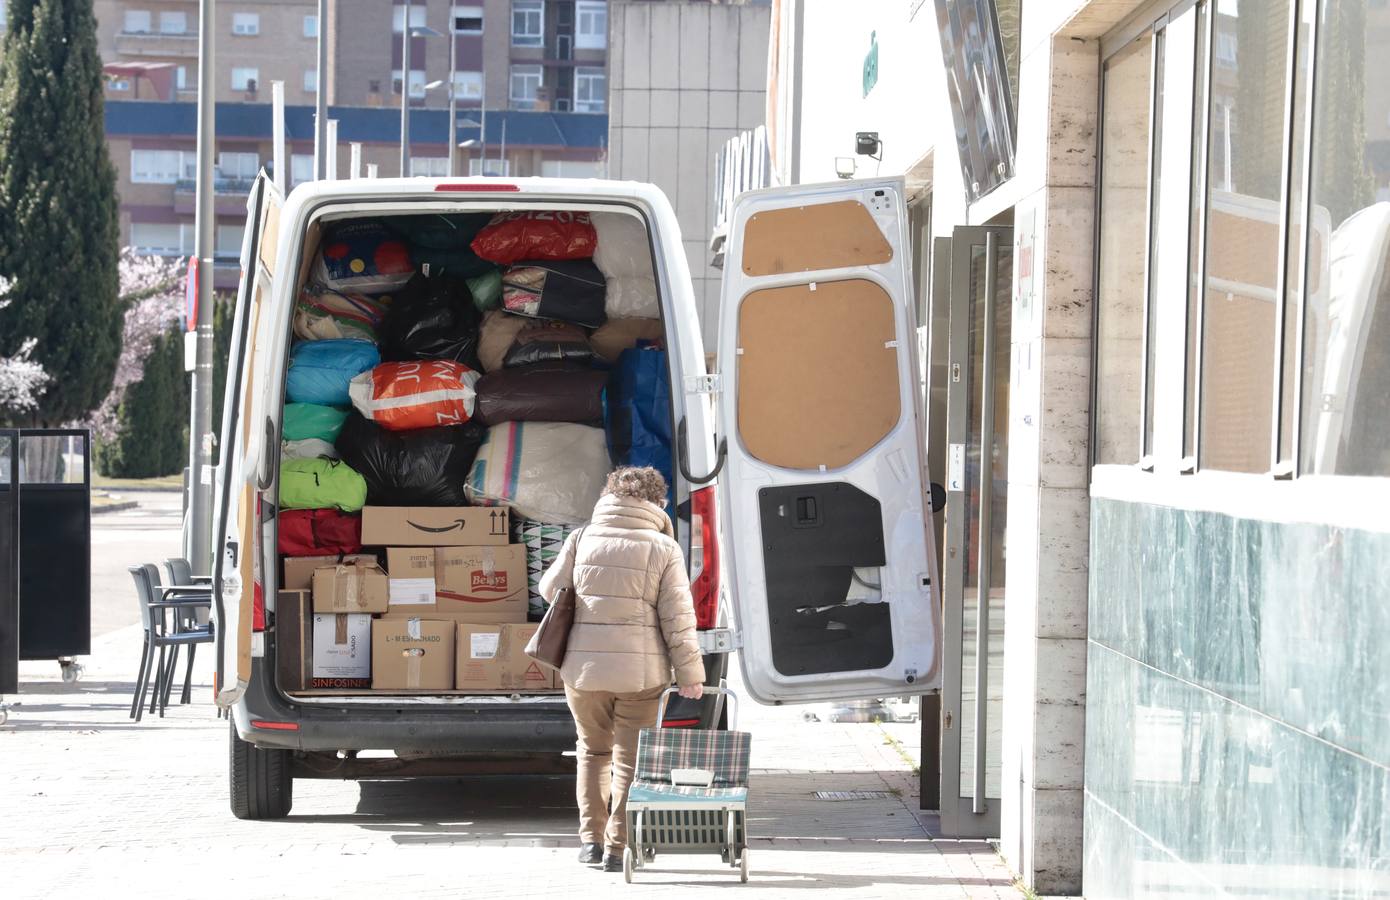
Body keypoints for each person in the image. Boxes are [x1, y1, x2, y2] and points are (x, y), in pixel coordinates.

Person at [539, 465, 706, 873]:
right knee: (631, 761)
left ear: (609, 496)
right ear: (657, 503)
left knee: (592, 752)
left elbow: (548, 590)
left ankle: (589, 843)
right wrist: (691, 674)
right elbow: (678, 619)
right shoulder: (663, 548)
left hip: (584, 671)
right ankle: (618, 847)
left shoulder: (581, 537)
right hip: (641, 677)